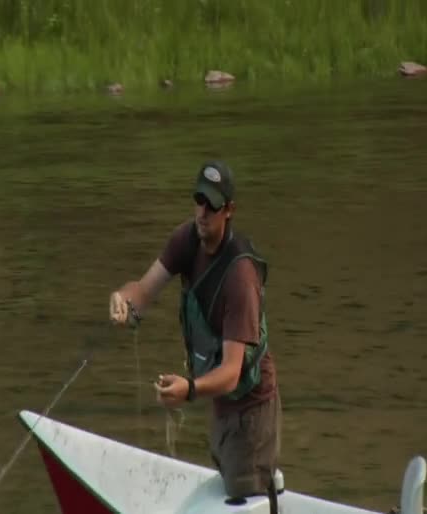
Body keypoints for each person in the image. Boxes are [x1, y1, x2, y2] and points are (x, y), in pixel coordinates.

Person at [109, 160, 281, 508]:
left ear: (229, 210)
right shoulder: (186, 239)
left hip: (251, 411)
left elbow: (232, 374)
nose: (203, 212)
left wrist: (188, 389)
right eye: (199, 200)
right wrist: (121, 299)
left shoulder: (240, 277)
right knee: (229, 483)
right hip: (220, 404)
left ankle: (269, 490)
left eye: (212, 205)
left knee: (244, 498)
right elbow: (143, 291)